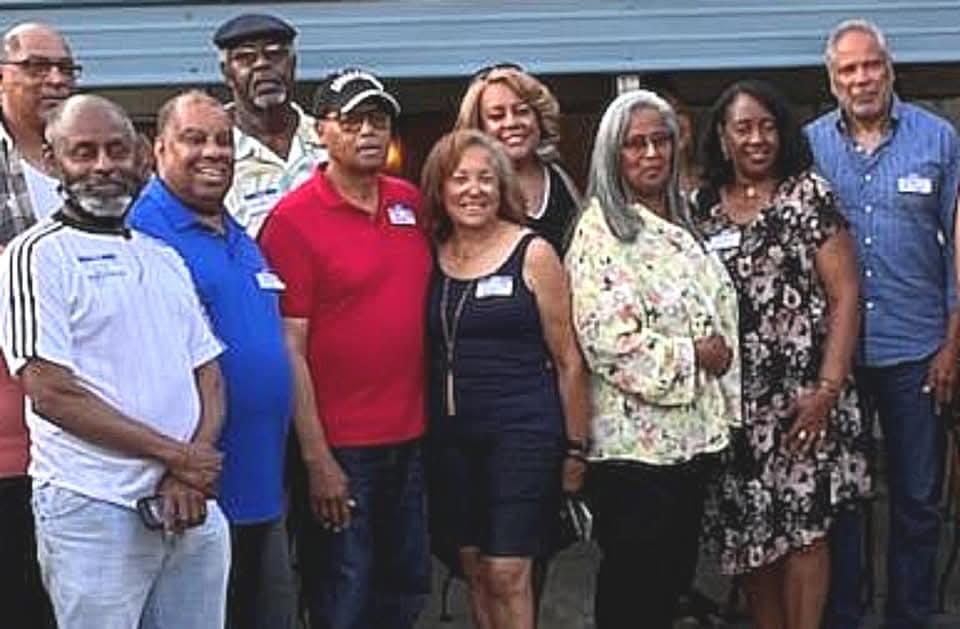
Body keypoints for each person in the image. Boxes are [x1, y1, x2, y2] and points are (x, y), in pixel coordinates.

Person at [0, 94, 230, 629]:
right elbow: (50, 391)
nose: (103, 166)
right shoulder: (34, 256)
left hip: (189, 506)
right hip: (94, 508)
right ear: (54, 162)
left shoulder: (163, 257)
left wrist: (188, 471)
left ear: (142, 156)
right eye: (83, 152)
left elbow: (209, 376)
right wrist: (176, 456)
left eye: (115, 150)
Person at [692, 79, 870, 629]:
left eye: (767, 126)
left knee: (805, 536)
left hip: (804, 402)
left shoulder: (808, 194)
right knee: (752, 541)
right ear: (722, 138)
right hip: (734, 408)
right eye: (743, 127)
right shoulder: (702, 208)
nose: (756, 138)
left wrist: (827, 390)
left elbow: (846, 295)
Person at [258, 68, 431, 629]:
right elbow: (291, 347)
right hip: (343, 450)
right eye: (352, 121)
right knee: (344, 593)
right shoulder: (292, 220)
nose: (368, 132)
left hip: (412, 437)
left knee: (404, 587)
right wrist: (316, 459)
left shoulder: (409, 202)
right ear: (323, 131)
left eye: (378, 120)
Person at [566, 89, 742, 629]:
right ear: (611, 155)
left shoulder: (684, 223)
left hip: (688, 445)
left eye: (660, 141)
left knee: (669, 586)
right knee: (634, 593)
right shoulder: (600, 235)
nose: (650, 154)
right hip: (634, 457)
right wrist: (697, 354)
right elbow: (611, 344)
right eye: (634, 144)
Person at [805, 19, 960, 629]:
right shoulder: (810, 145)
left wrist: (953, 341)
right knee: (842, 500)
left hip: (918, 350)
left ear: (889, 69)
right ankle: (845, 614)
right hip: (835, 359)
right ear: (832, 80)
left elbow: (957, 251)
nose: (861, 78)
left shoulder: (939, 139)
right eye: (848, 70)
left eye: (871, 66)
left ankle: (910, 615)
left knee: (918, 499)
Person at [127, 91, 296, 629]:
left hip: (260, 480)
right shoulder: (144, 233)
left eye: (223, 140)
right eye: (194, 139)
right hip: (191, 488)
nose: (213, 152)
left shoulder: (239, 234)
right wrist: (178, 463)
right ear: (159, 149)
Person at [421, 129, 590, 629]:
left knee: (507, 571)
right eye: (460, 179)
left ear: (502, 187)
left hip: (522, 436)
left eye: (485, 179)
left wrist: (576, 449)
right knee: (474, 570)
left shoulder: (533, 253)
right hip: (449, 441)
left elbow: (568, 360)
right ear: (440, 187)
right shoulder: (429, 254)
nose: (473, 190)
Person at [0, 21, 77, 628]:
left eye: (66, 68)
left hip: (85, 417)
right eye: (36, 66)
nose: (54, 79)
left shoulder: (88, 158)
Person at [214, 13, 327, 237]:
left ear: (293, 64)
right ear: (226, 73)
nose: (262, 65)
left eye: (275, 55)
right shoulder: (215, 151)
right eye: (246, 58)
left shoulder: (328, 140)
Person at [455, 65, 579, 254]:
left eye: (521, 111)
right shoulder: (471, 191)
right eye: (497, 116)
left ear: (538, 117)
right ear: (479, 128)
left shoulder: (562, 180)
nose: (511, 123)